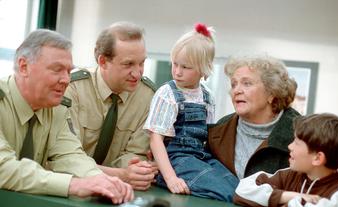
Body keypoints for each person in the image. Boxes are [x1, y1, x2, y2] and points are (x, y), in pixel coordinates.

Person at [0, 29, 133, 204]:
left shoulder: (56, 108)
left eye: (68, 71)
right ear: (24, 67)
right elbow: (4, 168)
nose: (66, 80)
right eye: (57, 70)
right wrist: (74, 185)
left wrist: (100, 181)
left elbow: (70, 154)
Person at [143, 23, 239, 202]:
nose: (177, 72)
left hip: (200, 156)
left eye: (186, 67)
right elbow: (156, 140)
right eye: (175, 64)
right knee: (226, 193)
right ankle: (162, 177)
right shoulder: (167, 94)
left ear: (204, 68)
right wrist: (171, 178)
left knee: (237, 187)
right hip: (176, 159)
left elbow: (207, 136)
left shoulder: (207, 96)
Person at [65, 21, 157, 191]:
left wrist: (137, 171)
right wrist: (122, 175)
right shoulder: (72, 89)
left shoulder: (148, 96)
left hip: (118, 192)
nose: (137, 73)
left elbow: (135, 154)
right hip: (74, 188)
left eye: (142, 63)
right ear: (103, 61)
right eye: (128, 64)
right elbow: (68, 159)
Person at [233, 113, 338, 207]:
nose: (289, 146)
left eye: (297, 143)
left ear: (317, 158)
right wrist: (288, 196)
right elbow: (243, 189)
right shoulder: (291, 175)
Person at [207, 55, 300, 180]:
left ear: (272, 92)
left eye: (247, 83)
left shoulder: (300, 134)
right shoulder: (219, 130)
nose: (236, 90)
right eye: (234, 84)